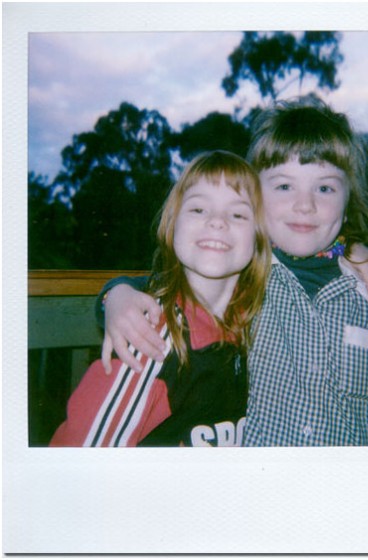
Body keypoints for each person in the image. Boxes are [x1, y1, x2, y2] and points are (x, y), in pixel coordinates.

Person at [97, 96, 368, 445]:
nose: (305, 205)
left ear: (348, 203)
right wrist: (116, 294)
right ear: (255, 199)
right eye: (284, 186)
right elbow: (166, 289)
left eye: (325, 188)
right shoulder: (241, 274)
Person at [50, 150, 271, 447]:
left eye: (238, 214)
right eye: (198, 209)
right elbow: (83, 463)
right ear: (172, 223)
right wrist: (116, 293)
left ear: (259, 237)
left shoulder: (260, 324)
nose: (217, 221)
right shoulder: (148, 337)